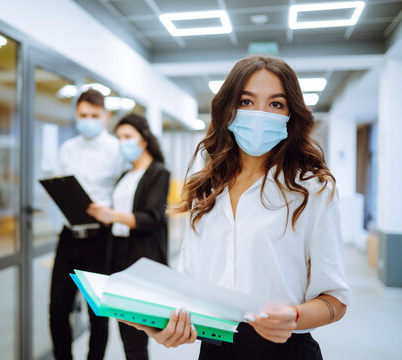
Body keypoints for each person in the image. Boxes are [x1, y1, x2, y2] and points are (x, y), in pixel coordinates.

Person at [121, 55, 351, 360]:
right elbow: (189, 289)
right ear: (229, 109)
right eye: (246, 101)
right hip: (215, 351)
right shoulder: (206, 190)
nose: (260, 114)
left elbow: (335, 300)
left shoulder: (312, 188)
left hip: (287, 352)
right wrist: (164, 325)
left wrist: (293, 316)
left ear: (290, 114)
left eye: (275, 104)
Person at [49, 88, 126, 360]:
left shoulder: (117, 150)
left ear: (105, 116)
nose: (88, 120)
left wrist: (111, 211)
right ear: (76, 115)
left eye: (94, 115)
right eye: (83, 115)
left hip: (100, 239)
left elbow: (124, 194)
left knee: (98, 314)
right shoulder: (66, 148)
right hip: (68, 236)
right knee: (58, 310)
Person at [87, 113, 170, 360]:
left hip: (141, 260)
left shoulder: (159, 173)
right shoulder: (124, 176)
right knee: (125, 332)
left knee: (136, 339)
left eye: (128, 137)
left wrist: (112, 215)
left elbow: (150, 218)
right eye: (119, 137)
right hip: (119, 257)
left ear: (143, 140)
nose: (122, 142)